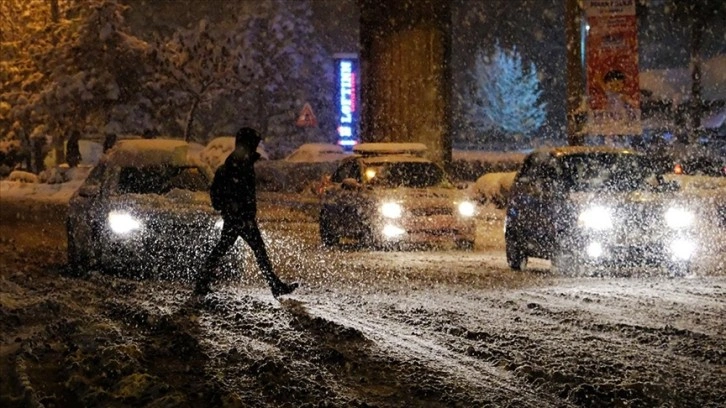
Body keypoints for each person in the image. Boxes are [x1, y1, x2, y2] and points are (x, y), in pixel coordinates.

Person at [195, 127, 299, 297]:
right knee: (256, 250)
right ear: (247, 144)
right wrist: (237, 210)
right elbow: (237, 191)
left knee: (225, 248)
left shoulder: (239, 162)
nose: (256, 147)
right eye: (254, 144)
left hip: (239, 215)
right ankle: (274, 285)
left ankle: (202, 282)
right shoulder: (238, 164)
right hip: (240, 217)